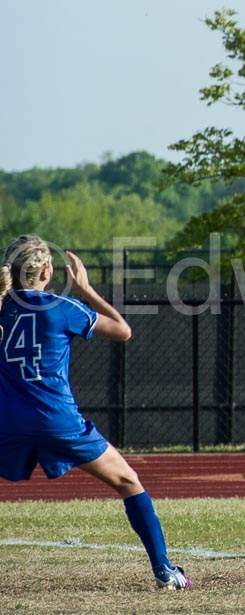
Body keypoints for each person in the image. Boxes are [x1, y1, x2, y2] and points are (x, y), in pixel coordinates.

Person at [0, 235, 190, 590]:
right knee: (128, 482)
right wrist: (86, 289)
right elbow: (123, 331)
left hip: (6, 421)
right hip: (57, 420)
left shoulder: (2, 307)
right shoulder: (61, 307)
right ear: (46, 271)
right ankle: (165, 571)